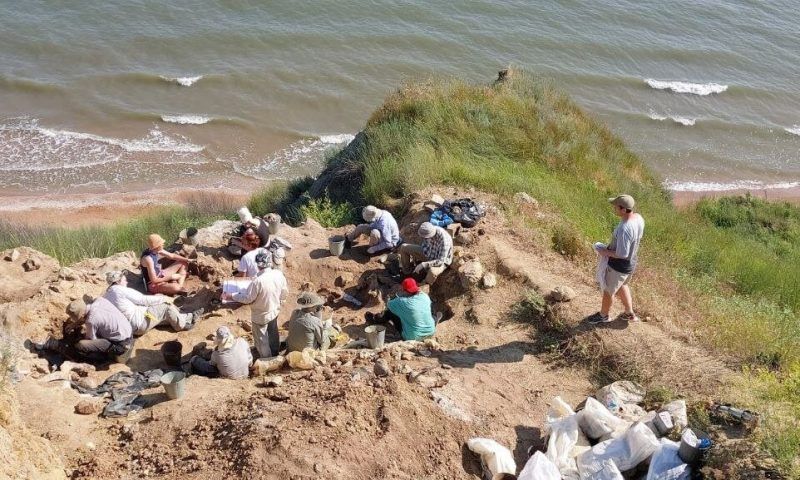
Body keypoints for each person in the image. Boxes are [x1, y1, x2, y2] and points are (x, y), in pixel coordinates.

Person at [588, 194, 645, 324]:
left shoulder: (625, 228)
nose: (614, 208)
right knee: (622, 285)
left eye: (616, 207)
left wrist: (604, 251)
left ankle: (603, 316)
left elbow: (622, 253)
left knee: (608, 291)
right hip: (631, 262)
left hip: (618, 265)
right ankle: (629, 313)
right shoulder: (638, 218)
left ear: (623, 210)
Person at [222, 251, 288, 358]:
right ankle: (275, 352)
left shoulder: (257, 281)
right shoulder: (278, 274)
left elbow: (247, 299)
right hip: (274, 311)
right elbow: (284, 292)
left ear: (258, 265)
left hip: (260, 316)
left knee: (261, 340)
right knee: (273, 333)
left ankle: (266, 358)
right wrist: (279, 302)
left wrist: (231, 296)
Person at [30, 298, 134, 363]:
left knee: (81, 345)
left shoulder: (91, 321)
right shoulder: (99, 300)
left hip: (120, 345)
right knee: (93, 331)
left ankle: (101, 359)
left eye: (76, 318)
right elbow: (87, 315)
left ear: (81, 315)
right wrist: (74, 325)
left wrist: (75, 341)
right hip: (127, 332)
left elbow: (91, 339)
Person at [104, 271, 202, 335]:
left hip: (129, 327)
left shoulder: (107, 295)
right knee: (166, 307)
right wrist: (164, 298)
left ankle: (188, 316)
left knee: (164, 314)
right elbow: (143, 299)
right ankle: (182, 325)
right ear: (118, 282)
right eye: (124, 280)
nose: (126, 282)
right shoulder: (120, 290)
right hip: (138, 323)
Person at [368, 278, 437, 341]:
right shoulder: (424, 296)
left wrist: (397, 297)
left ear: (404, 290)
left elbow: (389, 305)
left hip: (413, 337)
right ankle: (434, 319)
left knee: (389, 312)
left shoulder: (401, 302)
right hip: (431, 332)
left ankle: (375, 319)